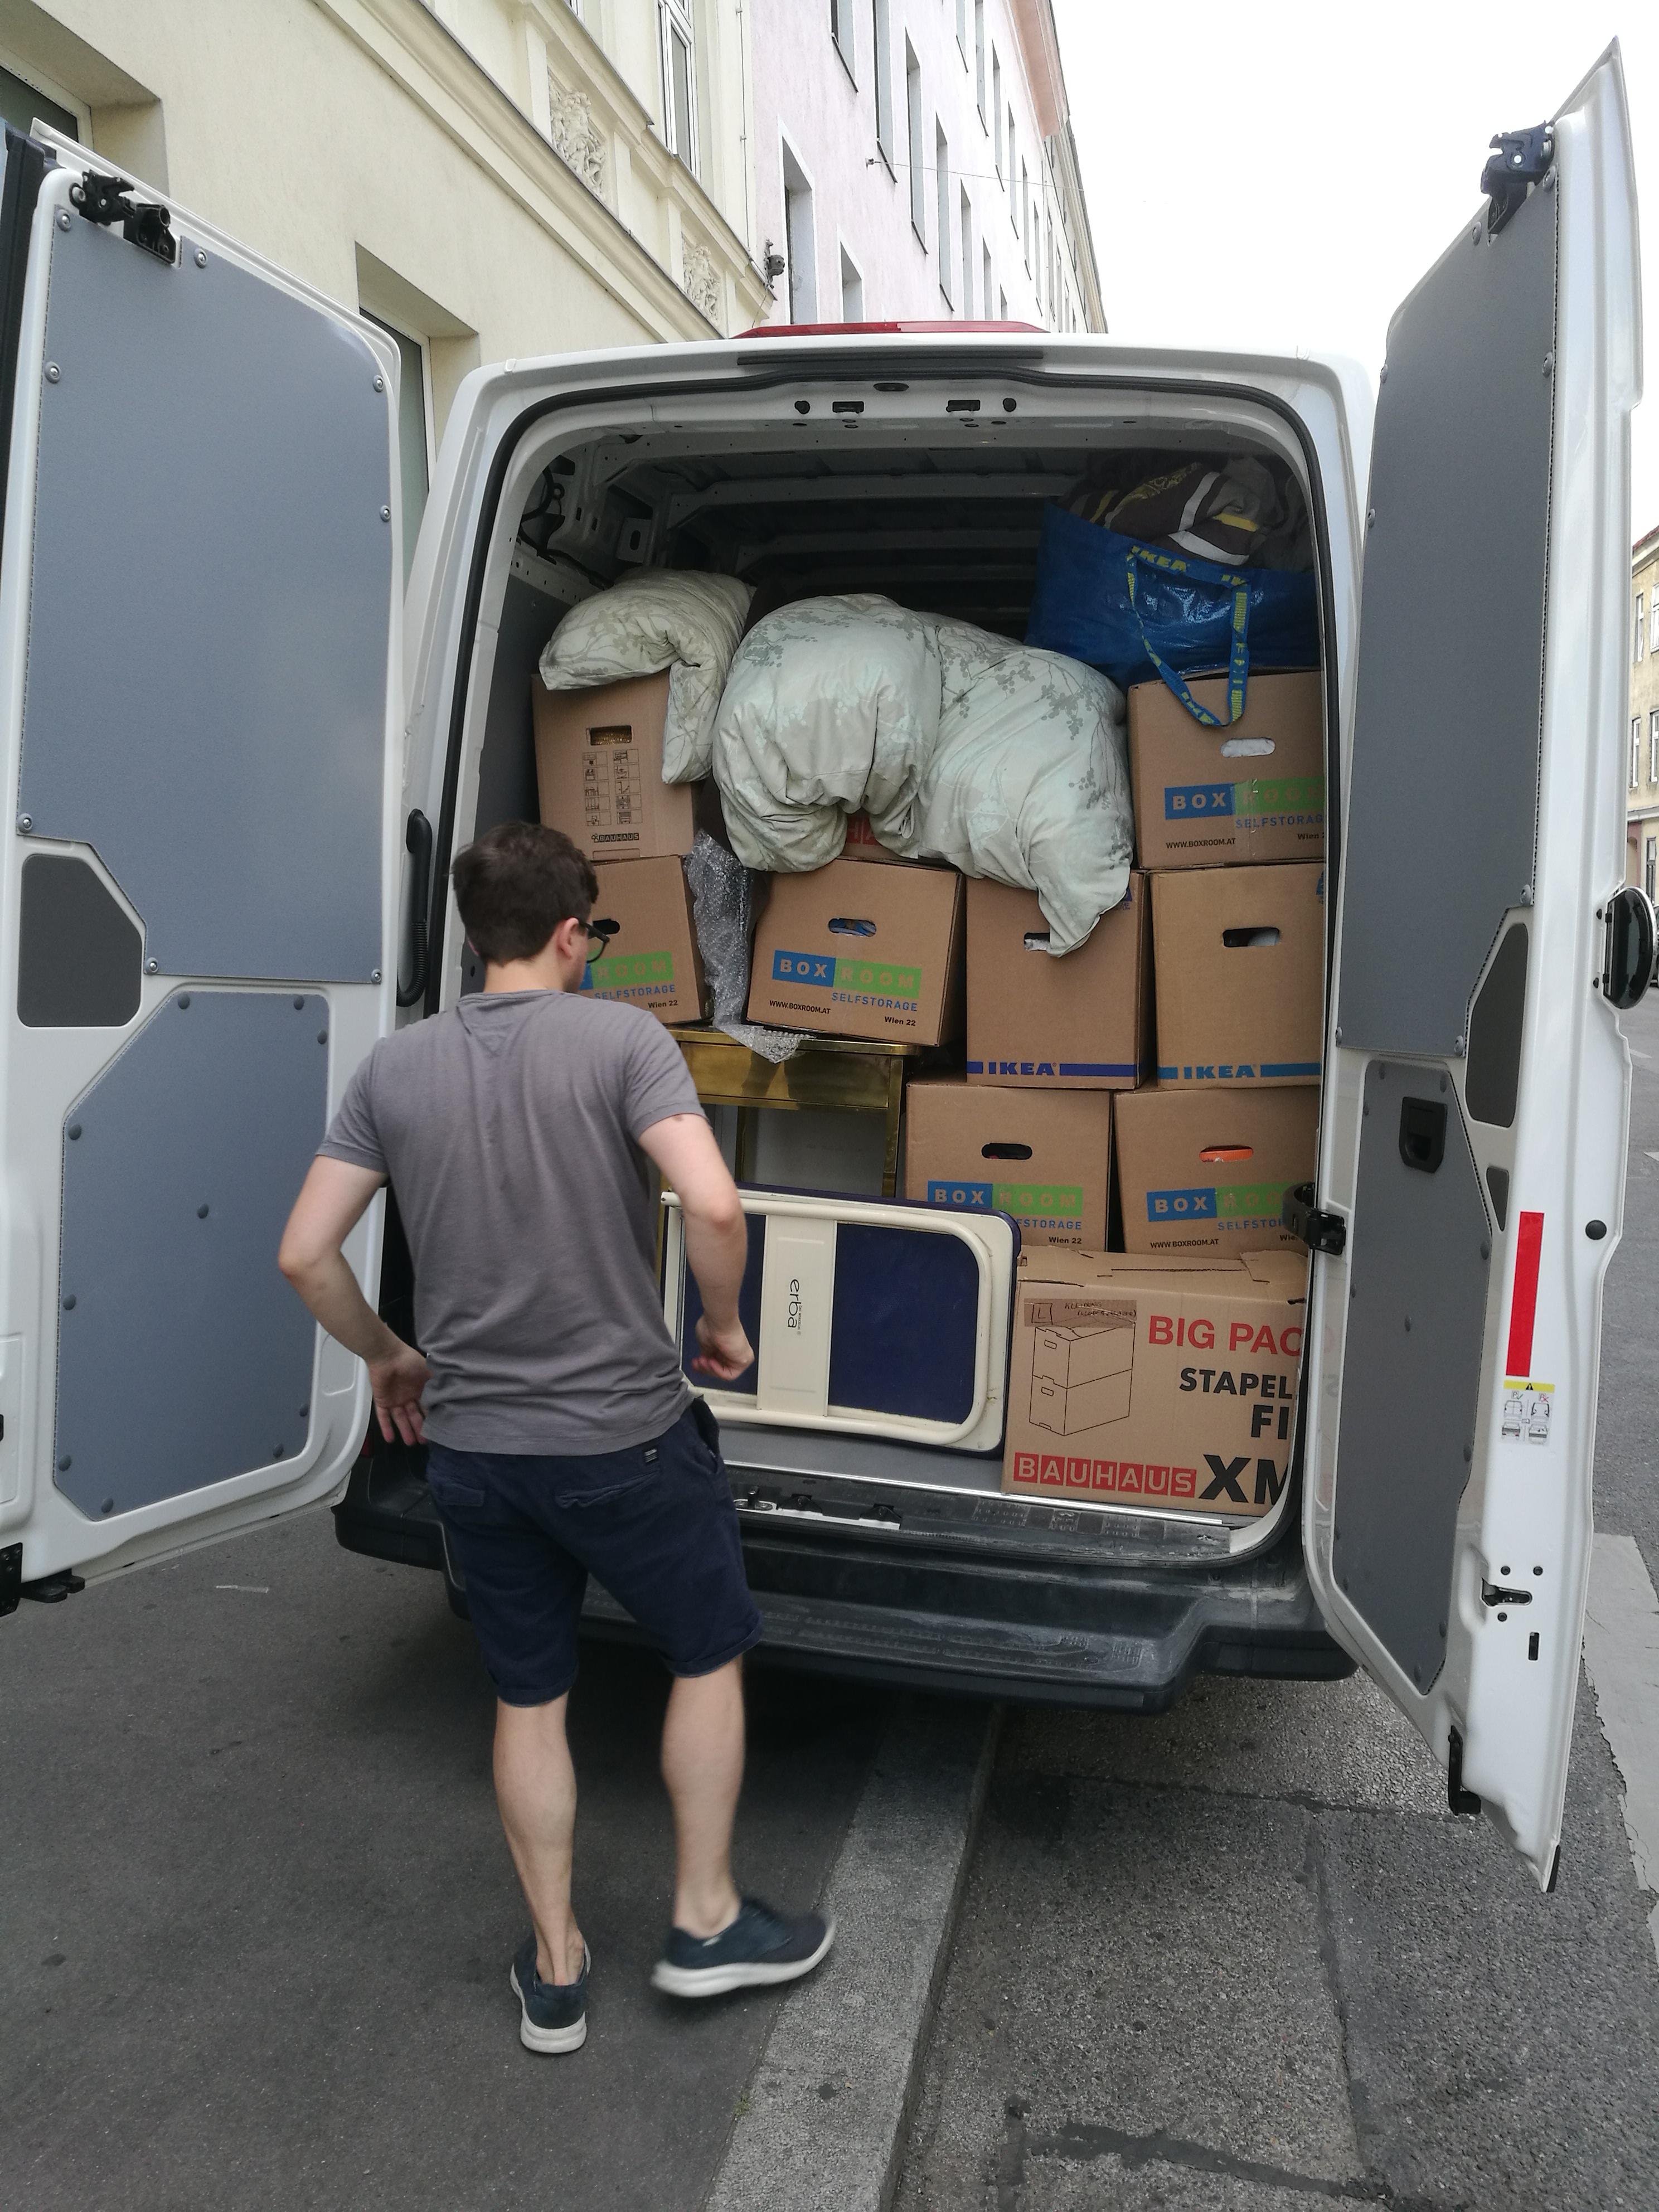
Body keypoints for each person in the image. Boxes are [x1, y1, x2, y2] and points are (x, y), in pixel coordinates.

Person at [278, 819, 833, 2054]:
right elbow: (716, 1204)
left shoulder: (394, 1069)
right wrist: (724, 1327)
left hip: (476, 1454)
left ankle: (557, 1969)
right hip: (625, 1440)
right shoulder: (624, 1040)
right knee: (705, 1653)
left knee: (529, 1696)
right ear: (574, 934)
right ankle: (705, 1923)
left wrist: (388, 1355)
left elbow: (305, 1253)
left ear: (478, 936)